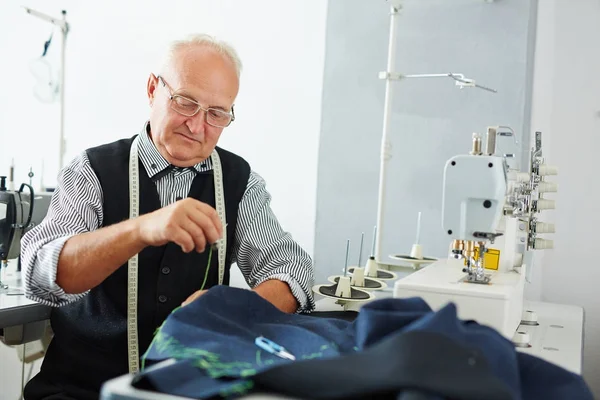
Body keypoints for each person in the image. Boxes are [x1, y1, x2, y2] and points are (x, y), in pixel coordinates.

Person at [20, 33, 315, 400]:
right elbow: (41, 273)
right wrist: (141, 229)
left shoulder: (241, 182)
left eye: (217, 114)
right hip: (81, 390)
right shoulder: (91, 170)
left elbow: (293, 269)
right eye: (185, 102)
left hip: (189, 391)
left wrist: (233, 309)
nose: (197, 125)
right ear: (152, 89)